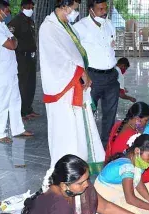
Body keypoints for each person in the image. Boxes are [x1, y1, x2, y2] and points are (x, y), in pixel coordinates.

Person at [39, 0, 105, 172]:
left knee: (79, 125)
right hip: (63, 87)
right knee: (66, 128)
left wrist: (83, 72)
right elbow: (54, 59)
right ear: (64, 6)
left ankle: (80, 160)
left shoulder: (66, 25)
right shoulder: (49, 28)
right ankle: (65, 165)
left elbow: (75, 53)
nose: (75, 12)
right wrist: (78, 72)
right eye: (74, 8)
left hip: (76, 82)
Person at [0, 0, 33, 144]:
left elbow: (13, 40)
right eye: (7, 11)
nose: (8, 13)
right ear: (0, 11)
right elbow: (12, 44)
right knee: (1, 101)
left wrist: (13, 39)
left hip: (10, 69)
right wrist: (13, 39)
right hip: (0, 71)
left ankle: (17, 129)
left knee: (14, 99)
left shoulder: (2, 26)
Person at [74, 0, 119, 148]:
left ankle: (106, 146)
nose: (104, 12)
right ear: (90, 9)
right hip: (92, 77)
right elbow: (73, 52)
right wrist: (82, 73)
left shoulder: (109, 24)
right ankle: (87, 146)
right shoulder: (80, 27)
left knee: (110, 113)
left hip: (111, 76)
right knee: (88, 112)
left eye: (105, 8)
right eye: (100, 9)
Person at [95, 134, 149, 214]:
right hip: (106, 198)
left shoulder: (138, 162)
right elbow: (130, 199)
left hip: (121, 191)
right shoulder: (127, 167)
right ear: (137, 151)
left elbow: (139, 185)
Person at [8, 0, 40, 120]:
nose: (30, 8)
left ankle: (28, 109)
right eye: (28, 6)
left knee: (31, 84)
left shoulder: (30, 20)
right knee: (23, 84)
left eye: (32, 6)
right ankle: (21, 112)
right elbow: (9, 35)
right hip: (22, 57)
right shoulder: (15, 21)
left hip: (31, 56)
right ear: (22, 7)